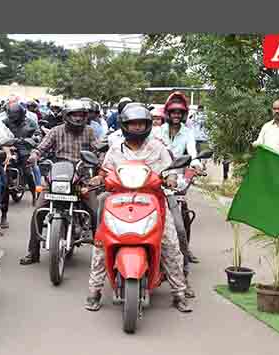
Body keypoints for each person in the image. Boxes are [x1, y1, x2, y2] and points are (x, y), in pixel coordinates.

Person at [85, 105, 192, 313]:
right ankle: (94, 291)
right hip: (119, 201)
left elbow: (170, 170)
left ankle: (179, 292)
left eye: (140, 124)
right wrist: (97, 178)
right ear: (125, 126)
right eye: (133, 124)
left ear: (147, 126)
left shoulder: (158, 148)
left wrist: (170, 179)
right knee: (100, 243)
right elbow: (105, 171)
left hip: (153, 201)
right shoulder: (115, 149)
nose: (136, 128)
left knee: (170, 243)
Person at [19, 99, 99, 265]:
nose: (77, 118)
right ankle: (33, 253)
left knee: (95, 211)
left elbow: (98, 150)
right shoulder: (56, 131)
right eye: (74, 115)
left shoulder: (90, 131)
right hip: (58, 175)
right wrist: (34, 156)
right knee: (39, 211)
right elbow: (41, 148)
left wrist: (100, 161)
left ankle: (101, 254)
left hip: (81, 177)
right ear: (66, 116)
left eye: (81, 115)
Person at [157, 91, 202, 264]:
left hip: (177, 178)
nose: (176, 115)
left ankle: (185, 250)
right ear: (167, 114)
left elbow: (192, 152)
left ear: (183, 115)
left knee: (180, 222)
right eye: (173, 112)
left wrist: (196, 165)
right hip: (159, 176)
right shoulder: (158, 131)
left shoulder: (188, 133)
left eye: (179, 113)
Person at [1, 102, 39, 229]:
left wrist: (31, 140)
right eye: (11, 116)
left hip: (24, 149)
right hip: (9, 149)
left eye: (15, 116)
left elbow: (38, 135)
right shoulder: (5, 122)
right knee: (3, 177)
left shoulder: (30, 123)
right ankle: (3, 213)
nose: (13, 119)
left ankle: (34, 194)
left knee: (27, 171)